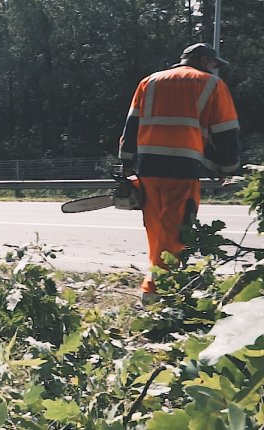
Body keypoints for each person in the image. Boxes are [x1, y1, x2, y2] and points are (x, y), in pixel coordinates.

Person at [118, 42, 240, 304]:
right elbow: (227, 132)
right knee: (176, 232)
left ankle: (159, 285)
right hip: (182, 168)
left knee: (157, 229)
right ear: (204, 59)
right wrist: (227, 169)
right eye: (215, 63)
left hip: (148, 168)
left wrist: (126, 162)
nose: (216, 69)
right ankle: (159, 294)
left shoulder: (149, 82)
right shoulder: (211, 85)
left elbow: (131, 127)